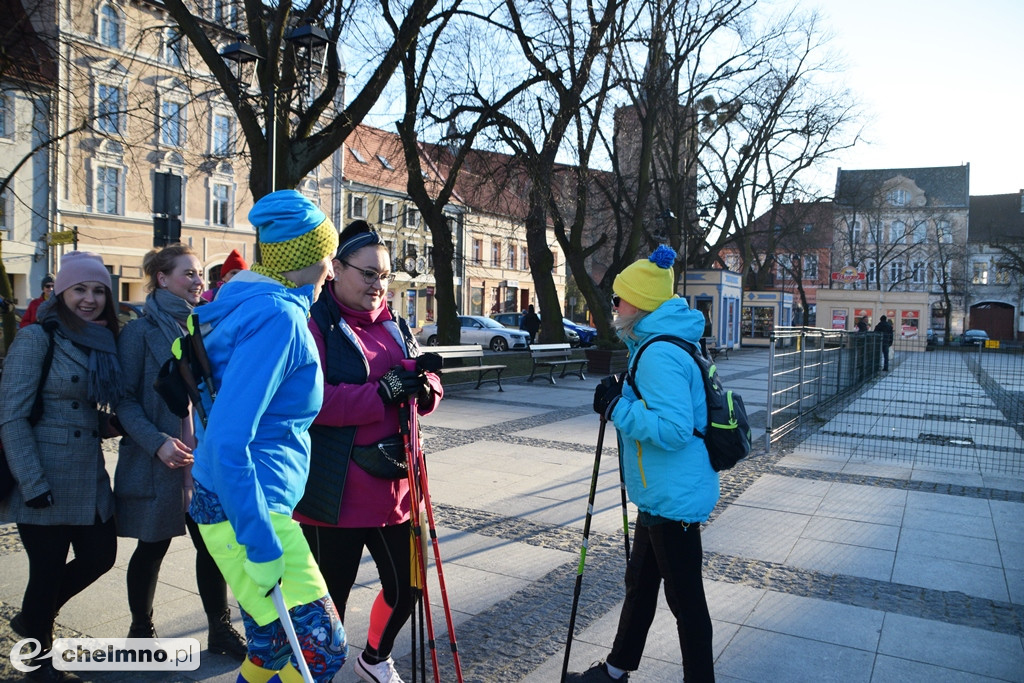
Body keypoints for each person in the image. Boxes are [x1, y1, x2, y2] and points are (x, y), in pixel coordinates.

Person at [188, 190, 347, 682]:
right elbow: (228, 440)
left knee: (274, 645)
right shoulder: (279, 319)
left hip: (227, 504)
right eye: (327, 258)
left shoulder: (241, 304)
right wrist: (261, 545)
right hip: (255, 512)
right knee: (322, 653)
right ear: (301, 261)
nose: (332, 271)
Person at [295, 219, 443, 683]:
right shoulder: (314, 325)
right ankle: (311, 674)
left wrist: (425, 388)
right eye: (369, 274)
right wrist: (382, 392)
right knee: (329, 603)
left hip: (396, 486)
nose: (379, 285)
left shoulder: (395, 324)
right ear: (336, 269)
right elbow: (313, 401)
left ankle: (374, 658)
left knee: (409, 586)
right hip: (335, 492)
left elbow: (424, 378)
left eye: (385, 275)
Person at [574, 245, 719, 683]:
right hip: (663, 490)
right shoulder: (661, 342)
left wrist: (618, 407)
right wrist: (628, 393)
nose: (613, 305)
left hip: (673, 495)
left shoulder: (659, 352)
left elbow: (675, 429)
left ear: (640, 301)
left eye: (618, 298)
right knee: (640, 586)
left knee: (687, 603)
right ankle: (617, 670)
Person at [114, 244, 246, 658]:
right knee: (152, 546)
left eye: (198, 274)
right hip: (161, 458)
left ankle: (220, 631)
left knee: (212, 546)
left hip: (204, 458)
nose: (197, 281)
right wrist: (157, 443)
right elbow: (123, 401)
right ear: (162, 278)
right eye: (187, 274)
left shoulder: (205, 326)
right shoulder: (139, 331)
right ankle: (141, 630)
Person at [0, 252, 123, 683]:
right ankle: (38, 661)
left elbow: (79, 409)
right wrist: (31, 483)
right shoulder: (37, 338)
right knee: (46, 572)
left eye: (97, 291)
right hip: (45, 476)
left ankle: (34, 617)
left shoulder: (100, 340)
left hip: (87, 474)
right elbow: (11, 416)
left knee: (100, 556)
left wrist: (108, 423)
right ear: (61, 291)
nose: (88, 299)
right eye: (80, 290)